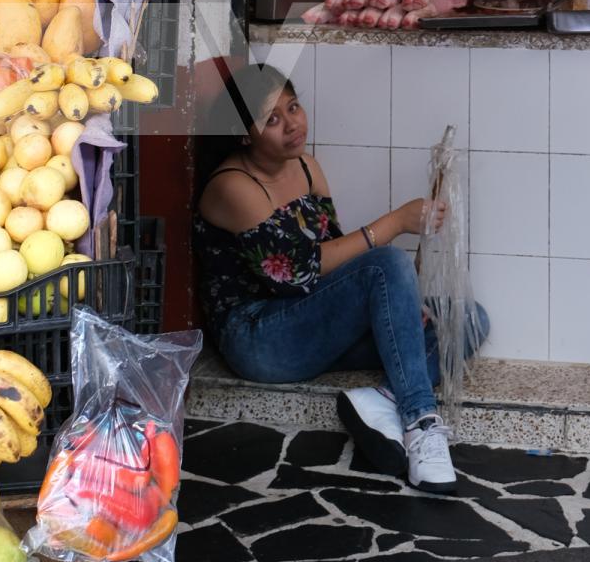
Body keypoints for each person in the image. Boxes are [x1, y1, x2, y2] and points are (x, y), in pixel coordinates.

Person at [193, 64, 487, 495]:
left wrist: (402, 307)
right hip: (261, 339)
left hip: (312, 326)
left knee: (467, 318)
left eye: (293, 107)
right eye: (271, 119)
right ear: (243, 134)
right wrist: (396, 222)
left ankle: (379, 401)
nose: (291, 124)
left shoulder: (307, 168)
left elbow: (335, 259)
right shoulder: (232, 187)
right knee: (385, 261)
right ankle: (420, 422)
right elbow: (302, 272)